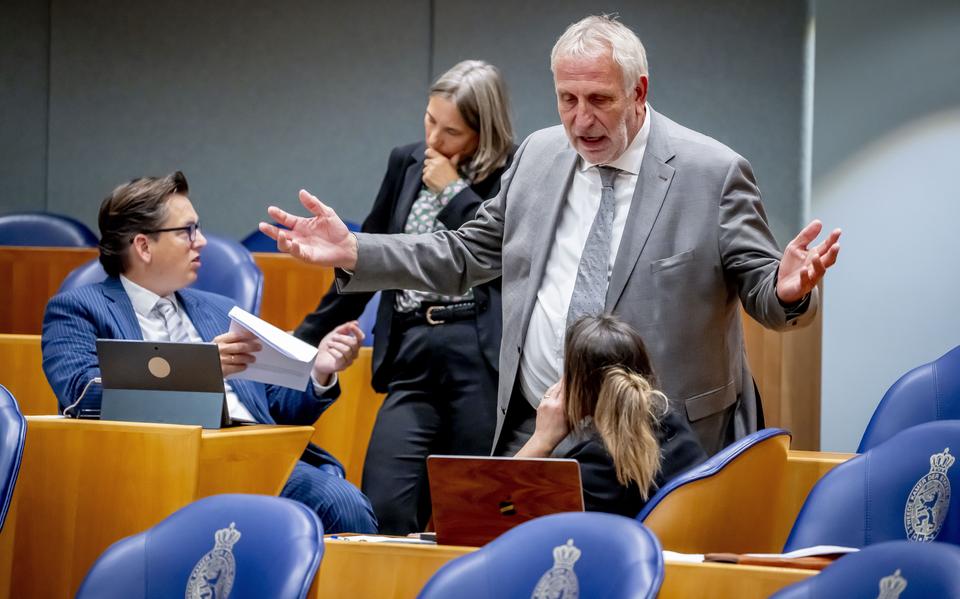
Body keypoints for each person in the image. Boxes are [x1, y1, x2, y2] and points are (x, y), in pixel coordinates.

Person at [260, 15, 842, 457]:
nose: (581, 120)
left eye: (600, 100)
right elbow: (465, 252)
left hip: (660, 437)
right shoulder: (540, 155)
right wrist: (355, 249)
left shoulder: (711, 173)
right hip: (540, 423)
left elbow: (765, 291)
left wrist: (787, 291)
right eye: (568, 99)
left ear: (639, 92)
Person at [41, 171, 377, 534]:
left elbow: (277, 410)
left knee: (343, 504)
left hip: (253, 455)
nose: (201, 241)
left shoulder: (220, 309)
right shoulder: (78, 310)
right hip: (156, 462)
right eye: (187, 231)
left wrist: (319, 371)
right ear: (143, 246)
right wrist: (197, 370)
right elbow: (83, 395)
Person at [292, 60, 515, 535]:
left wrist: (453, 192)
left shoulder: (513, 171)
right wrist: (301, 340)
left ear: (484, 132)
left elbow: (500, 254)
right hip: (413, 348)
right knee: (384, 506)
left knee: (472, 512)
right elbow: (367, 257)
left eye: (451, 132)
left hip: (478, 355)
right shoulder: (407, 161)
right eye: (430, 120)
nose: (434, 139)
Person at [516, 314, 706, 516]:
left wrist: (541, 440)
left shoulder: (596, 466)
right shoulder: (672, 423)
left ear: (576, 386)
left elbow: (503, 506)